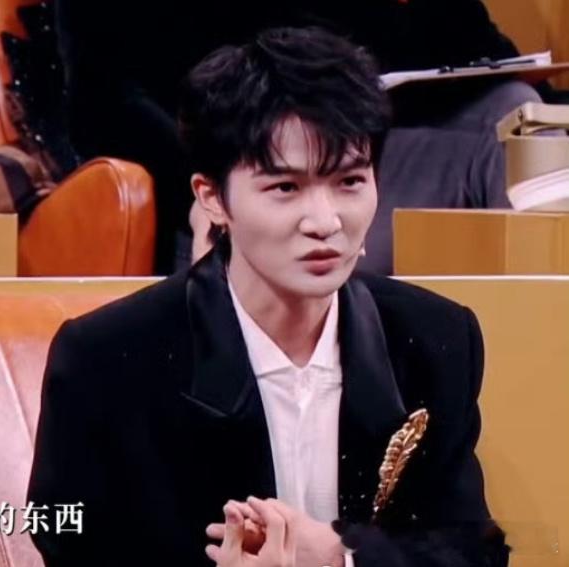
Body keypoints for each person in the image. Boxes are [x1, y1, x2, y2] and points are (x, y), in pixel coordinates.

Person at [27, 27, 507, 566]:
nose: (325, 221)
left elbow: (473, 551)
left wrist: (341, 556)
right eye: (285, 188)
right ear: (212, 198)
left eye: (349, 181)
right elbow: (71, 545)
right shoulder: (106, 357)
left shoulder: (434, 338)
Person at [55, 0, 544, 275]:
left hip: (364, 150)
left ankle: (538, 333)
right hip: (231, 166)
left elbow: (484, 51)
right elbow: (104, 100)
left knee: (520, 112)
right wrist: (215, 184)